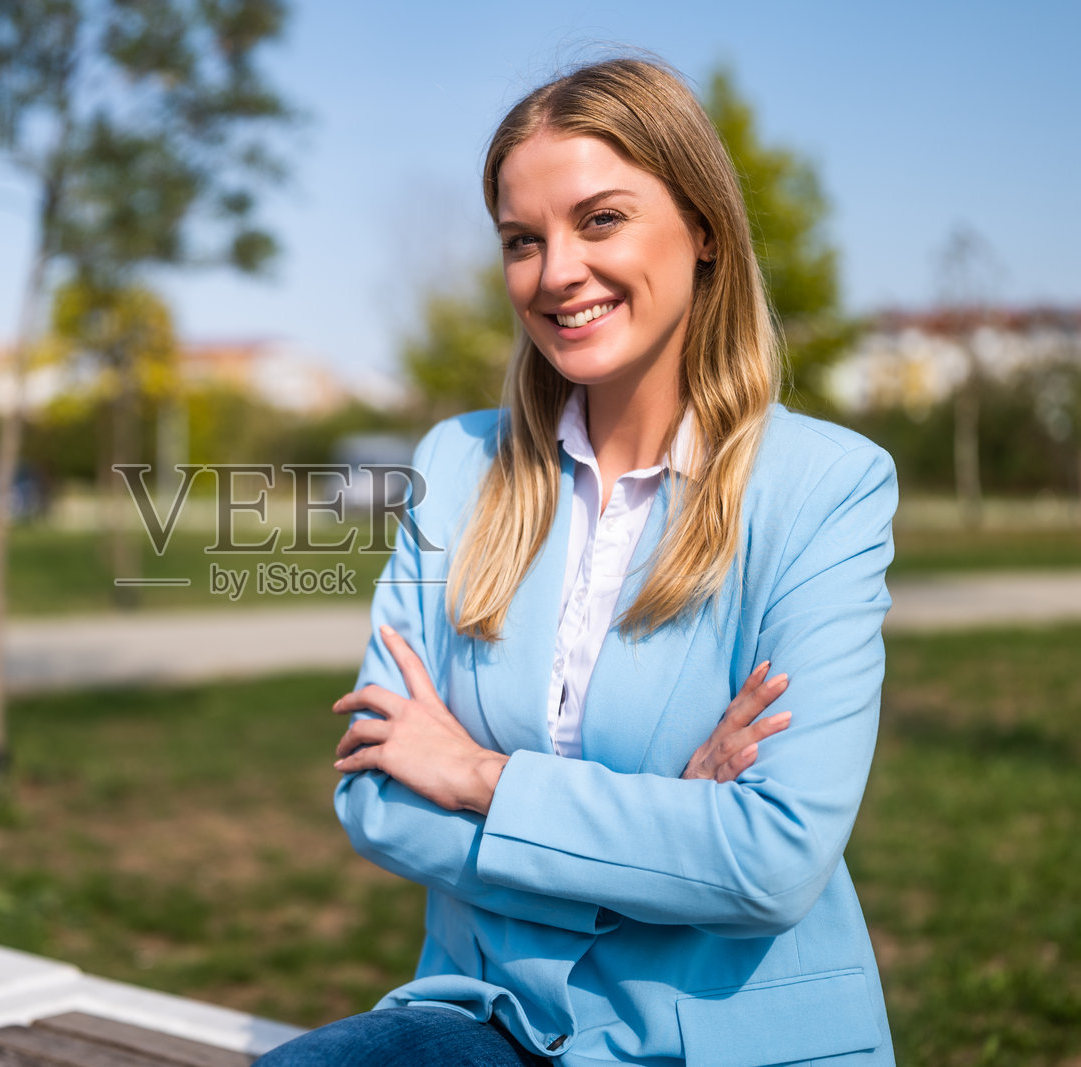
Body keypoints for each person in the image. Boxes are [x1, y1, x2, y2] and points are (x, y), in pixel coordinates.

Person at [256, 56, 896, 1066]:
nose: (555, 271)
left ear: (703, 232)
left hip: (724, 1038)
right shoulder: (458, 466)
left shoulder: (825, 485)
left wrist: (475, 774)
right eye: (523, 239)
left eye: (599, 220)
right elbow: (374, 795)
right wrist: (677, 826)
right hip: (489, 1016)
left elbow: (772, 861)